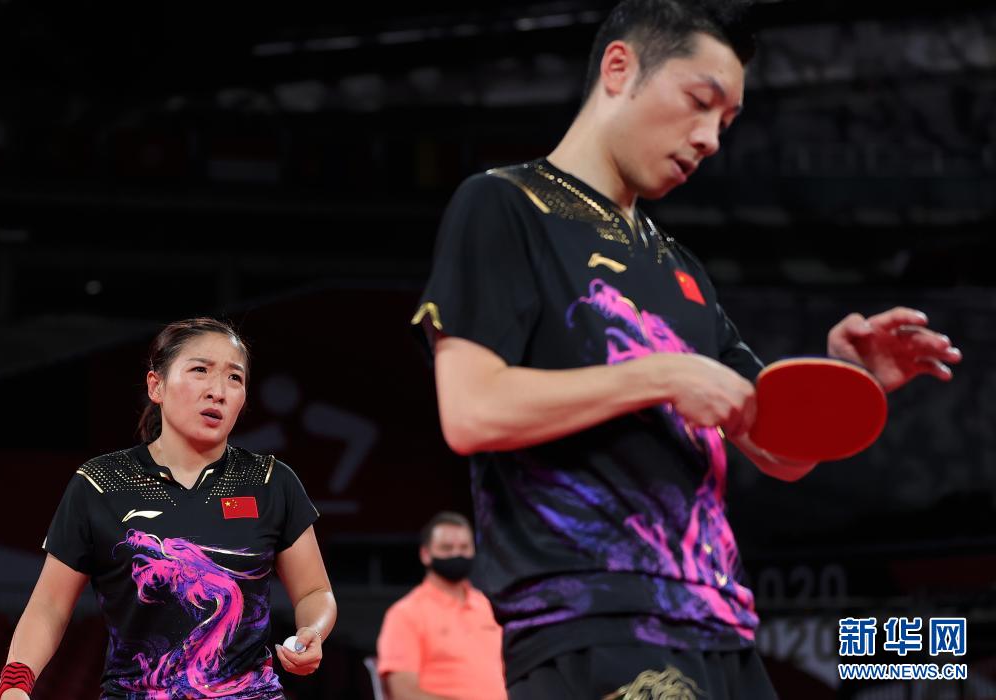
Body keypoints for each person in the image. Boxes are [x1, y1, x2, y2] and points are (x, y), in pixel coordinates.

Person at [410, 1, 963, 698]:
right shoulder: (504, 205)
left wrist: (844, 383)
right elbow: (472, 411)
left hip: (722, 629)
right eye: (700, 103)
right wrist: (663, 375)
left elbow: (778, 450)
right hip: (595, 624)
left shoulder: (679, 269)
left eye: (725, 123)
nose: (710, 139)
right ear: (619, 69)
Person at [0, 318, 336, 700]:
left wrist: (312, 630)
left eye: (234, 378)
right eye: (200, 370)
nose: (218, 392)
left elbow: (314, 591)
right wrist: (15, 683)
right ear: (155, 386)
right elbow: (49, 606)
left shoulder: (271, 481)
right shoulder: (101, 483)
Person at [376, 512, 506, 700]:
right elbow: (404, 693)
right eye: (447, 548)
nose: (456, 554)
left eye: (464, 547)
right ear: (425, 554)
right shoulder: (405, 614)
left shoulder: (488, 607)